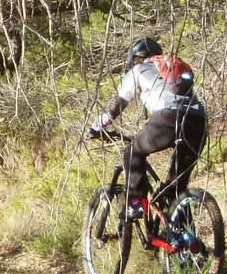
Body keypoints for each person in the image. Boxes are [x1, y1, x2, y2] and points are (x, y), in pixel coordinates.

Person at [85, 37, 207, 219]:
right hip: (198, 120)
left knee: (132, 152)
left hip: (167, 119)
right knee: (177, 189)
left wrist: (95, 128)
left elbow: (115, 106)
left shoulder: (139, 69)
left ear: (136, 58)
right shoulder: (172, 68)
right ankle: (186, 241)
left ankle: (135, 203)